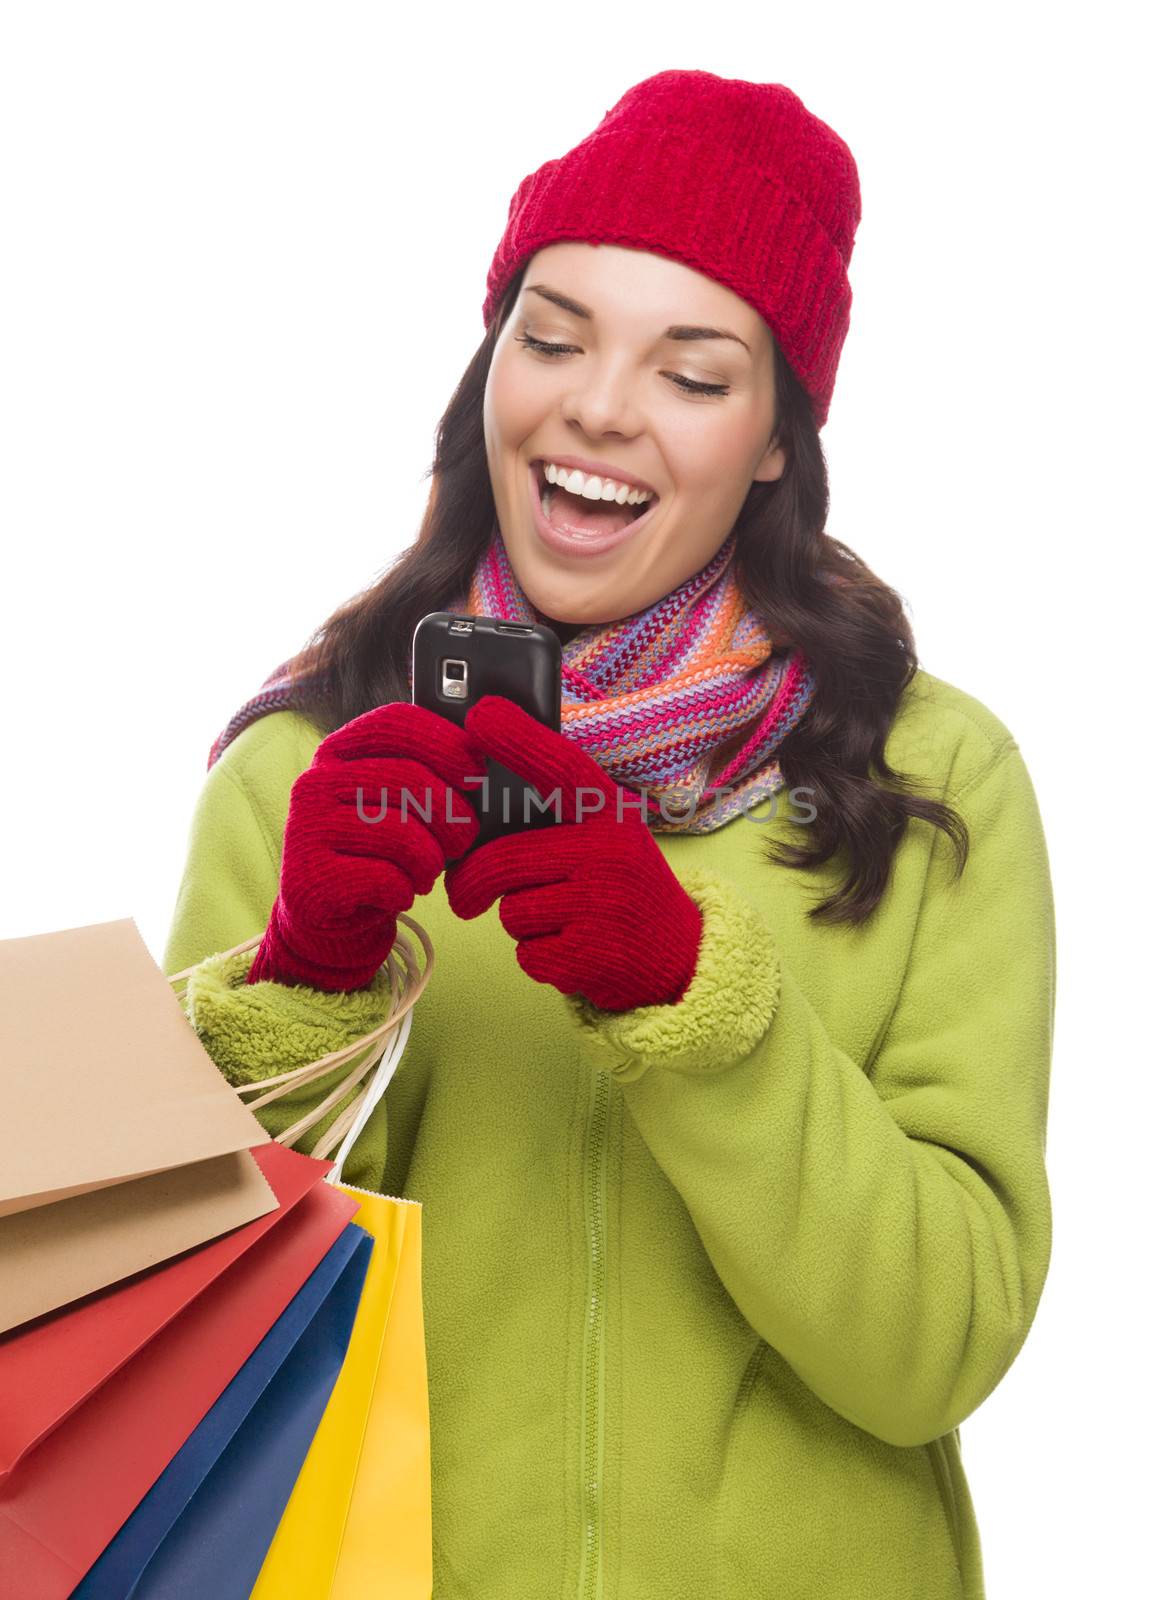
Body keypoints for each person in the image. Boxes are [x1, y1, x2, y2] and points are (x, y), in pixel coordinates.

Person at [164, 68, 1055, 1600]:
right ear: (490, 367)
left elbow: (936, 1350)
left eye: (692, 373)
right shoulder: (307, 763)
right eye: (551, 336)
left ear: (778, 439)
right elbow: (173, 1350)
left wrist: (696, 1012)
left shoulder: (931, 776)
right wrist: (307, 987)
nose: (594, 405)